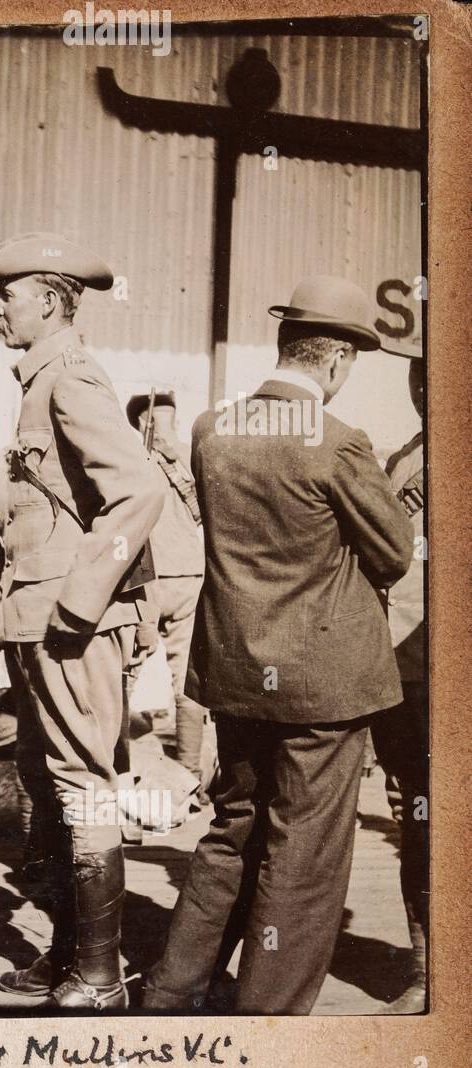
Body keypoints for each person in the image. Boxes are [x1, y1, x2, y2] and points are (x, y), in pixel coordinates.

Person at [143, 276, 413, 1015]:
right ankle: (266, 1024)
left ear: (285, 346)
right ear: (336, 362)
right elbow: (392, 553)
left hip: (234, 672)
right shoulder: (337, 442)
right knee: (305, 853)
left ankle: (172, 990)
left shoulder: (210, 429)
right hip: (323, 683)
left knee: (234, 826)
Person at [0, 234, 164, 1010]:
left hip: (70, 626)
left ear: (48, 302)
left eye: (8, 296)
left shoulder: (70, 379)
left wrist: (80, 605)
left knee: (83, 787)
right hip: (37, 622)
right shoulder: (37, 383)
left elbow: (138, 493)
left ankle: (101, 974)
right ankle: (66, 955)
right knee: (50, 789)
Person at [369, 340, 427, 1013]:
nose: (422, 383)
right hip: (404, 677)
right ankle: (428, 972)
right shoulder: (401, 456)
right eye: (416, 370)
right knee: (418, 822)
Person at [126, 390, 206, 783]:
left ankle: (121, 768)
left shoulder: (132, 458)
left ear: (142, 421)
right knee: (187, 678)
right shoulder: (189, 457)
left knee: (127, 670)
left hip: (149, 579)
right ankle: (190, 773)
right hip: (190, 574)